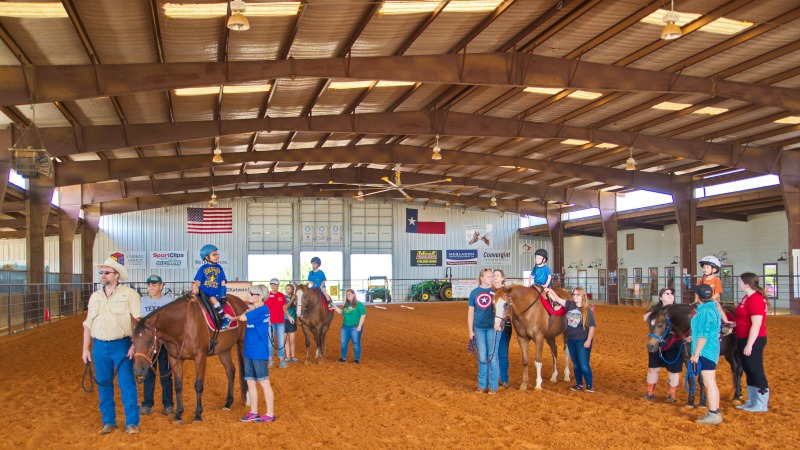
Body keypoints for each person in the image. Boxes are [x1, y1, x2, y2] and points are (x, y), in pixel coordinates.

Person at [81, 256, 142, 435]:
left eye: (106, 272)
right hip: (99, 345)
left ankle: (132, 422)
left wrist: (134, 345)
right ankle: (109, 421)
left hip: (122, 345)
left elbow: (137, 322)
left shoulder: (129, 294)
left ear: (116, 275)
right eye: (101, 272)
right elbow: (87, 324)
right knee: (103, 384)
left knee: (127, 383)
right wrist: (85, 348)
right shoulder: (95, 296)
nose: (102, 275)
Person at [225, 284, 276, 423]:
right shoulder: (259, 309)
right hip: (249, 350)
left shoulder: (261, 310)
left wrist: (231, 317)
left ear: (260, 297)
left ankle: (270, 413)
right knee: (250, 382)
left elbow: (242, 318)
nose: (249, 295)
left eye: (252, 293)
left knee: (264, 382)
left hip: (258, 351)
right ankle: (254, 412)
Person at [545, 286, 596, 393]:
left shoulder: (587, 310)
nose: (575, 296)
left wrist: (588, 340)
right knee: (576, 364)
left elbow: (592, 327)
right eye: (573, 294)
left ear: (582, 297)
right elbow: (558, 300)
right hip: (571, 340)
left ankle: (589, 385)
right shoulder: (570, 305)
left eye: (577, 295)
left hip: (582, 340)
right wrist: (551, 291)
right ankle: (578, 384)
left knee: (584, 364)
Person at [139, 274, 175, 416]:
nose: (151, 288)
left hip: (163, 344)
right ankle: (147, 404)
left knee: (166, 375)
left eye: (154, 285)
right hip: (148, 346)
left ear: (161, 286)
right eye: (149, 285)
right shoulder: (142, 301)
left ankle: (168, 405)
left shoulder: (169, 301)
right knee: (148, 375)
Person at [734, 272, 770, 412]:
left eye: (741, 282)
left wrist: (749, 344)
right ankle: (752, 400)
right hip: (743, 337)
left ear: (746, 284)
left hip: (754, 339)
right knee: (748, 369)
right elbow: (744, 319)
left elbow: (756, 324)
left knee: (756, 369)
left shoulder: (755, 299)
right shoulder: (746, 298)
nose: (739, 284)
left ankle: (761, 403)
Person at [640, 287, 682, 402]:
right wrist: (658, 311)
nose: (670, 295)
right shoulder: (655, 309)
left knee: (673, 371)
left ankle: (671, 395)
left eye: (671, 293)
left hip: (674, 345)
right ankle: (649, 393)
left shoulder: (679, 310)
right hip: (657, 344)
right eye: (666, 293)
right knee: (653, 369)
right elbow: (645, 318)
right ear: (660, 297)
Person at [689, 284, 723, 425]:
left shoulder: (703, 312)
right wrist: (692, 338)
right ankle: (716, 410)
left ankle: (713, 413)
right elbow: (709, 330)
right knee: (712, 383)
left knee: (709, 383)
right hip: (712, 348)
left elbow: (704, 335)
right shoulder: (713, 308)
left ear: (697, 296)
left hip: (705, 350)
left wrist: (696, 353)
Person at [467, 268, 501, 394]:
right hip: (479, 327)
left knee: (492, 357)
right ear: (481, 278)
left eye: (491, 276)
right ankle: (482, 385)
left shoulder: (496, 292)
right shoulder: (474, 293)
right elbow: (471, 313)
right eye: (488, 277)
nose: (490, 278)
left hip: (492, 327)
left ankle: (493, 386)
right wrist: (470, 330)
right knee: (482, 356)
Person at [192, 244, 229, 328]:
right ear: (206, 257)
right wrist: (196, 287)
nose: (217, 256)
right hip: (203, 292)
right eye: (214, 255)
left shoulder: (219, 268)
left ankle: (223, 317)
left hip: (215, 292)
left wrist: (223, 293)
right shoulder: (202, 268)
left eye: (217, 254)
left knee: (212, 299)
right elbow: (198, 280)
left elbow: (223, 281)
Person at [697, 255, 732, 331]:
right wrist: (696, 300)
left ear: (714, 269)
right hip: (701, 301)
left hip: (713, 301)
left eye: (707, 267)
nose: (705, 269)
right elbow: (697, 291)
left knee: (718, 308)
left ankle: (726, 322)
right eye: (704, 267)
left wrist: (710, 299)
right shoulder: (701, 280)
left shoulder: (717, 280)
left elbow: (717, 293)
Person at [332, 289, 366, 364]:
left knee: (356, 343)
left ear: (354, 294)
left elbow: (363, 316)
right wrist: (334, 306)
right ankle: (343, 358)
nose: (348, 296)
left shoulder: (359, 304)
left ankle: (357, 359)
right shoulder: (346, 305)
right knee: (343, 343)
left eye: (349, 294)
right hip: (345, 327)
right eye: (347, 295)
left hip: (355, 326)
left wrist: (359, 326)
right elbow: (341, 312)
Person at [493, 269, 512, 388]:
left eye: (498, 275)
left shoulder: (507, 292)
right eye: (494, 275)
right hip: (491, 324)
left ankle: (504, 378)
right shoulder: (490, 291)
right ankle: (495, 377)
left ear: (502, 278)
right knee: (492, 353)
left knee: (503, 353)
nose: (495, 277)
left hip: (505, 325)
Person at [265, 278, 288, 369]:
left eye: (275, 284)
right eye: (272, 284)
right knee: (270, 342)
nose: (273, 286)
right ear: (270, 285)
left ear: (278, 285)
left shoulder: (282, 296)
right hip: (270, 322)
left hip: (280, 322)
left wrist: (289, 317)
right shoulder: (267, 296)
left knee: (281, 341)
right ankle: (270, 360)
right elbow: (265, 309)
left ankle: (281, 360)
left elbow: (284, 308)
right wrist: (268, 319)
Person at [283, 284, 298, 364]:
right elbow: (285, 308)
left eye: (288, 289)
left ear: (292, 290)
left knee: (292, 340)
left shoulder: (296, 298)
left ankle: (293, 356)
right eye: (286, 289)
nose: (287, 290)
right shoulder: (284, 298)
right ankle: (287, 357)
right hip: (285, 319)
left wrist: (295, 300)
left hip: (293, 320)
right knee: (286, 340)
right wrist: (292, 300)